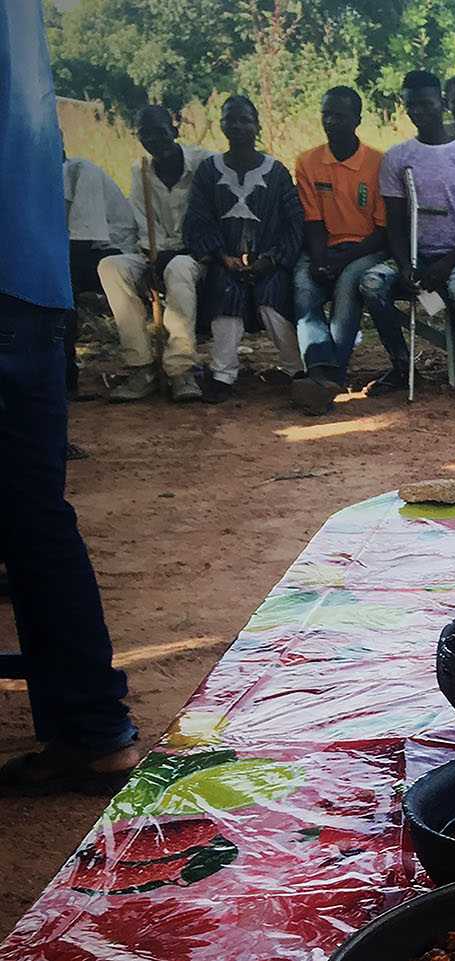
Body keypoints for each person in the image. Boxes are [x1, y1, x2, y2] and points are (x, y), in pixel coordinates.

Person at [0, 0, 138, 796]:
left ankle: (91, 728)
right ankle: (92, 728)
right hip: (30, 275)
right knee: (35, 518)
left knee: (32, 520)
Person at [364, 70, 455, 392]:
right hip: (413, 255)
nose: (419, 112)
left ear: (443, 103)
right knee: (370, 285)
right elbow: (394, 222)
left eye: (426, 104)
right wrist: (407, 265)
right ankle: (401, 365)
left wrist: (446, 263)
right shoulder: (397, 157)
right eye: (412, 106)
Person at [182, 95, 303, 403]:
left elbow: (294, 222)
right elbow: (199, 219)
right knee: (225, 293)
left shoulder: (276, 172)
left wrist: (272, 259)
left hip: (269, 261)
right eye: (229, 119)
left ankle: (296, 372)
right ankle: (223, 375)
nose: (236, 126)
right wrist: (222, 256)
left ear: (257, 125)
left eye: (244, 120)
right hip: (226, 261)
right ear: (220, 125)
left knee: (272, 298)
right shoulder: (209, 171)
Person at [290, 86, 399, 415]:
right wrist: (321, 258)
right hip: (323, 246)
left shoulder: (378, 163)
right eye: (326, 114)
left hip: (365, 248)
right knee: (304, 289)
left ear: (357, 119)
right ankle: (322, 372)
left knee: (348, 286)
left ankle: (327, 378)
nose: (331, 121)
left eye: (340, 115)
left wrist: (341, 260)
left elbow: (382, 232)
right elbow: (312, 220)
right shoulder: (308, 162)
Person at [100, 106, 214, 402]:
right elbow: (138, 220)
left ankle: (180, 370)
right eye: (144, 134)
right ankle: (142, 368)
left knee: (177, 268)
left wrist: (167, 257)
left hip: (194, 255)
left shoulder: (204, 164)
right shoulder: (140, 170)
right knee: (111, 266)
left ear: (174, 131)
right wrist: (148, 261)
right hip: (154, 252)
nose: (153, 139)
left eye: (159, 132)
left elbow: (210, 217)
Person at [62, 153, 136, 397]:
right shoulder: (31, 175)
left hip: (112, 250)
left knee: (62, 280)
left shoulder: (82, 171)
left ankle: (66, 375)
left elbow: (81, 240)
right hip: (77, 251)